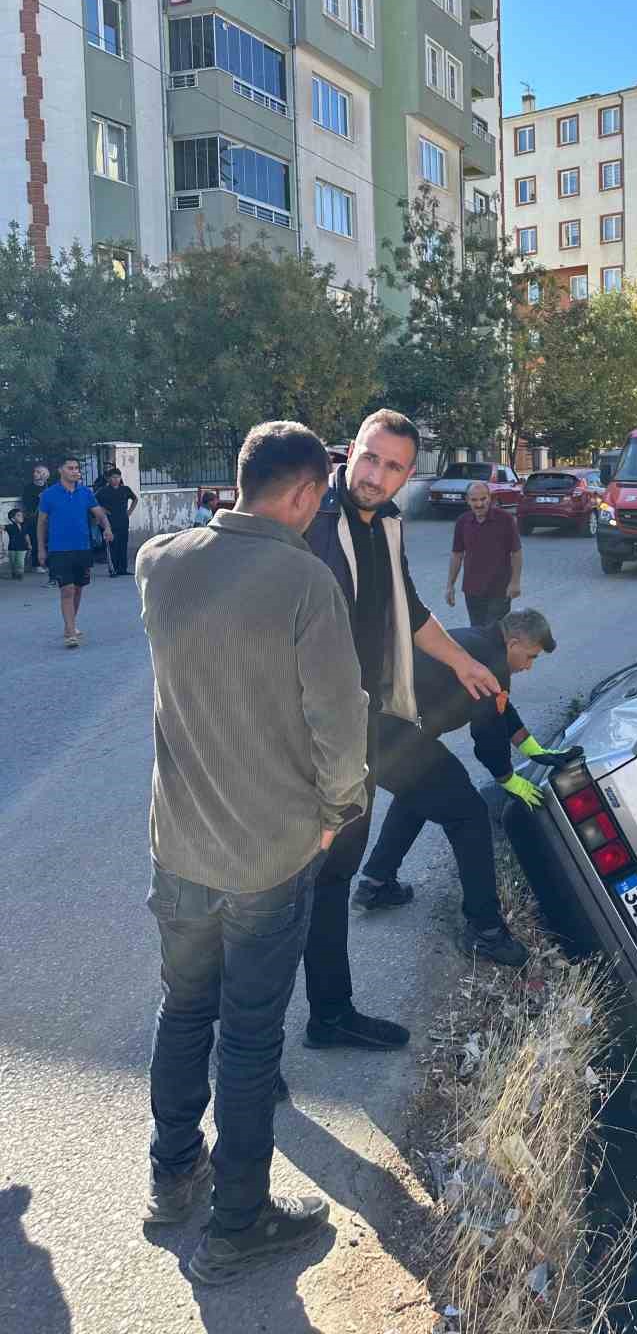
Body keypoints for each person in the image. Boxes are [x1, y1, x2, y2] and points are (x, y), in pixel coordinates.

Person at [135, 421, 369, 1283]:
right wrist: (339, 810)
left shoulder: (158, 562)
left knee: (183, 1010)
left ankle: (172, 1177)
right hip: (269, 854)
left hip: (179, 847)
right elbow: (338, 723)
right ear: (307, 494)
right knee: (249, 1038)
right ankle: (238, 1223)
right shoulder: (306, 581)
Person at [302, 408, 505, 1048]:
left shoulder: (387, 522)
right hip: (326, 734)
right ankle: (325, 1016)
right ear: (349, 452)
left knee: (463, 807)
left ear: (408, 474)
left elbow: (409, 609)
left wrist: (466, 661)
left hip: (378, 717)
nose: (375, 474)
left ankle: (485, 926)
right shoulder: (311, 525)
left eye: (392, 466)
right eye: (369, 457)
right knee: (322, 878)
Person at [353, 609, 576, 967]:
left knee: (427, 793)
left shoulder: (478, 643)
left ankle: (376, 884)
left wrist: (533, 748)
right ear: (515, 643)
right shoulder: (488, 659)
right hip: (386, 734)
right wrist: (507, 778)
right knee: (469, 813)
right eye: (531, 657)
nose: (529, 666)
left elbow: (500, 703)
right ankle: (485, 930)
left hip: (374, 730)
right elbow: (487, 734)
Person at [37, 457, 112, 647]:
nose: (74, 471)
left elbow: (99, 513)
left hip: (82, 548)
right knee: (67, 589)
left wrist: (107, 528)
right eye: (70, 468)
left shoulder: (85, 492)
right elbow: (41, 523)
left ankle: (70, 624)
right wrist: (41, 549)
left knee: (78, 589)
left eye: (77, 468)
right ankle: (70, 633)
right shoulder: (49, 494)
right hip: (59, 550)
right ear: (60, 470)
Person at [446, 481, 522, 628]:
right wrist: (450, 585)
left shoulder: (505, 519)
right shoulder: (463, 522)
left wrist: (515, 582)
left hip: (500, 589)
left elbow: (516, 553)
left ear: (490, 498)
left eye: (483, 499)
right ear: (467, 500)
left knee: (495, 632)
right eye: (474, 500)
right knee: (477, 631)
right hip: (472, 589)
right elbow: (457, 555)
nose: (479, 504)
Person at [95, 467, 137, 575]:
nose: (116, 479)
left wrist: (129, 511)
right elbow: (93, 502)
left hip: (123, 522)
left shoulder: (125, 489)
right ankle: (113, 570)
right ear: (109, 479)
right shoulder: (103, 491)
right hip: (109, 523)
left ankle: (123, 569)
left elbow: (135, 499)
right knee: (112, 546)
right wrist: (102, 510)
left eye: (118, 477)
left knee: (123, 546)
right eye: (114, 477)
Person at [21, 464, 49, 574]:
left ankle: (46, 563)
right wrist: (38, 498)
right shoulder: (29, 487)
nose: (35, 474)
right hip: (34, 518)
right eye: (35, 471)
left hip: (47, 518)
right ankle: (36, 564)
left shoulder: (48, 487)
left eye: (38, 472)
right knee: (36, 540)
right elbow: (26, 503)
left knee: (47, 540)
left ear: (44, 475)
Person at [6, 506, 31, 579]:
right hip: (12, 547)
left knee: (20, 561)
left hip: (22, 547)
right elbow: (2, 527)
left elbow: (27, 535)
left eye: (21, 515)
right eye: (18, 515)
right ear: (13, 519)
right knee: (13, 562)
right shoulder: (10, 526)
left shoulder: (24, 526)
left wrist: (29, 544)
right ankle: (14, 573)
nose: (21, 516)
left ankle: (20, 574)